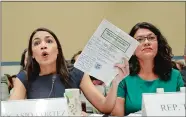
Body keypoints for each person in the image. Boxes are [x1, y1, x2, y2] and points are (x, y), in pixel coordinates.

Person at [9, 27, 128, 114]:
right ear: (32, 54)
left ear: (58, 50)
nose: (43, 45)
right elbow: (11, 112)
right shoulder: (24, 78)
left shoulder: (76, 72)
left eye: (49, 41)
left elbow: (105, 107)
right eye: (36, 43)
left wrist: (116, 82)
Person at [111, 22, 184, 116]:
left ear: (158, 44)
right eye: (140, 40)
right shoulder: (123, 78)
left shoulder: (175, 76)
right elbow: (117, 115)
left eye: (151, 38)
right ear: (131, 49)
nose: (146, 42)